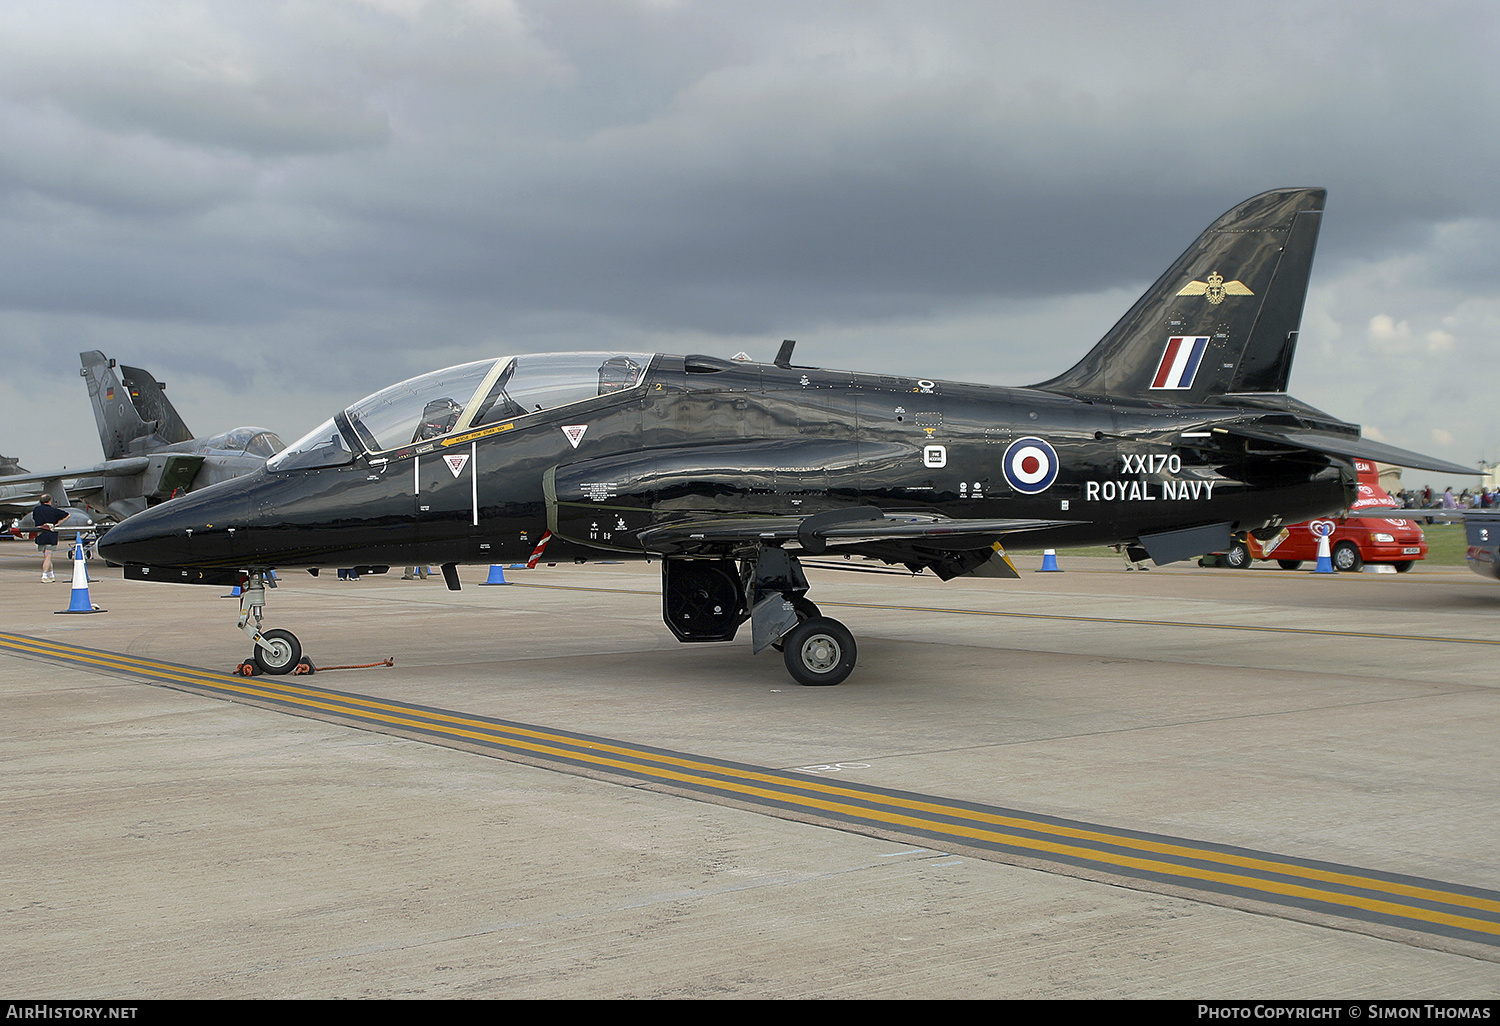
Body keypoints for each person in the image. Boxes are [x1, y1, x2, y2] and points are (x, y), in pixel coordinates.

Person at [31, 493, 69, 582]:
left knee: (46, 555)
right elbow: (67, 515)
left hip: (40, 533)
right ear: (49, 501)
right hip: (50, 534)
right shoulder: (53, 510)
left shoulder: (36, 510)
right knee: (48, 557)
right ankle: (44, 575)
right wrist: (58, 523)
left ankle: (51, 574)